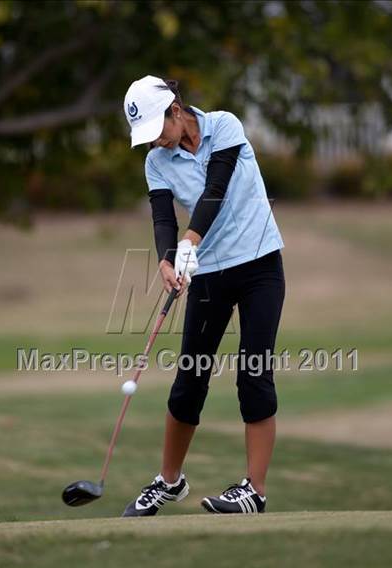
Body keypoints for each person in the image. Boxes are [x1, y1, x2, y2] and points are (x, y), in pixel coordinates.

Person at [122, 75, 285, 516]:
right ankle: (170, 482)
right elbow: (162, 218)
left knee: (254, 373)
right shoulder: (156, 161)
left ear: (176, 110)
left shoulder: (225, 127)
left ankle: (255, 490)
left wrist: (190, 241)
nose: (155, 141)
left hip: (258, 265)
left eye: (158, 129)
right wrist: (166, 261)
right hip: (210, 275)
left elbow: (215, 191)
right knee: (189, 379)